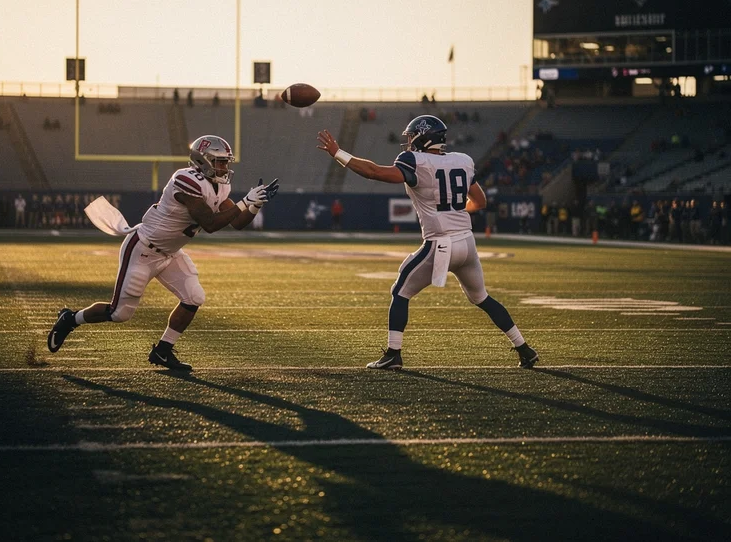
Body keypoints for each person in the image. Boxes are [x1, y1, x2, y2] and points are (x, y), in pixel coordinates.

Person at [316, 115, 538, 370]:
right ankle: (524, 349)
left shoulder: (414, 161)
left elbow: (374, 172)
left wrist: (338, 153)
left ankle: (393, 354)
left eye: (411, 136)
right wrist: (453, 212)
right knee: (481, 298)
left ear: (423, 136)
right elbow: (480, 202)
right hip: (467, 242)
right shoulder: (463, 161)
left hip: (440, 243)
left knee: (400, 291)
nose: (408, 142)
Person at [47, 135, 279, 371]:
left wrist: (255, 205)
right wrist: (243, 202)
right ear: (203, 160)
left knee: (194, 297)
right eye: (220, 162)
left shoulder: (220, 186)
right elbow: (209, 223)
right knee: (119, 313)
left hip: (170, 254)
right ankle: (70, 319)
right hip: (143, 250)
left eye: (226, 162)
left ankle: (163, 351)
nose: (225, 167)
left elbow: (238, 222)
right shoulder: (185, 180)